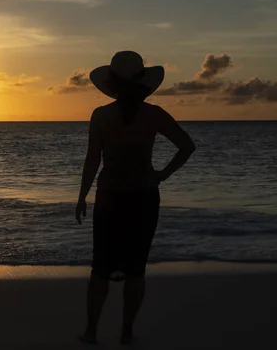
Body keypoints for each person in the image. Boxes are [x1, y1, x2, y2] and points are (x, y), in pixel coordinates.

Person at [76, 51, 196, 345]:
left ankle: (92, 331)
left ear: (112, 85)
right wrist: (163, 174)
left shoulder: (102, 115)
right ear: (143, 83)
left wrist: (82, 196)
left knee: (100, 269)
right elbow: (186, 146)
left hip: (109, 197)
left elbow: (93, 159)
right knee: (136, 269)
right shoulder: (152, 114)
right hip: (143, 196)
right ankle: (126, 332)